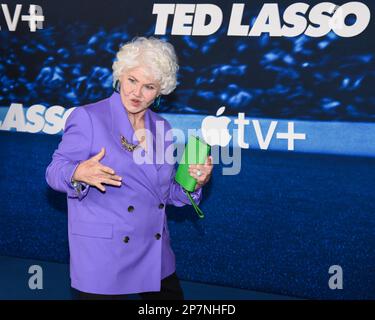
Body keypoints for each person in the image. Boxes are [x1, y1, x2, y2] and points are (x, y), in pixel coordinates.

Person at [45, 37, 213, 300]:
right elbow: (54, 171)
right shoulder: (88, 117)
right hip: (104, 253)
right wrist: (77, 173)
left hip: (153, 252)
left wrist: (195, 182)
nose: (136, 93)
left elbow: (168, 194)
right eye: (132, 80)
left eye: (149, 87)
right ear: (120, 75)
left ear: (160, 92)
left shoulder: (163, 128)